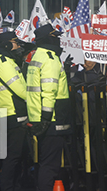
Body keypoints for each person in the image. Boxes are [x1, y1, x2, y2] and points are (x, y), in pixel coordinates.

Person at [26, 25, 72, 191]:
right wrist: (46, 117)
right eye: (55, 36)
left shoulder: (37, 56)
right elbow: (49, 90)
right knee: (50, 165)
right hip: (51, 118)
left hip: (38, 116)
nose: (58, 40)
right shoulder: (50, 58)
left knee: (45, 161)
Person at [0, 31, 29, 191]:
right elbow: (21, 90)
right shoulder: (5, 63)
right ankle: (7, 187)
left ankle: (14, 185)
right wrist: (36, 99)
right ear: (7, 44)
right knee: (13, 157)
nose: (18, 46)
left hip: (10, 114)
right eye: (15, 42)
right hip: (13, 114)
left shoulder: (7, 61)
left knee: (16, 156)